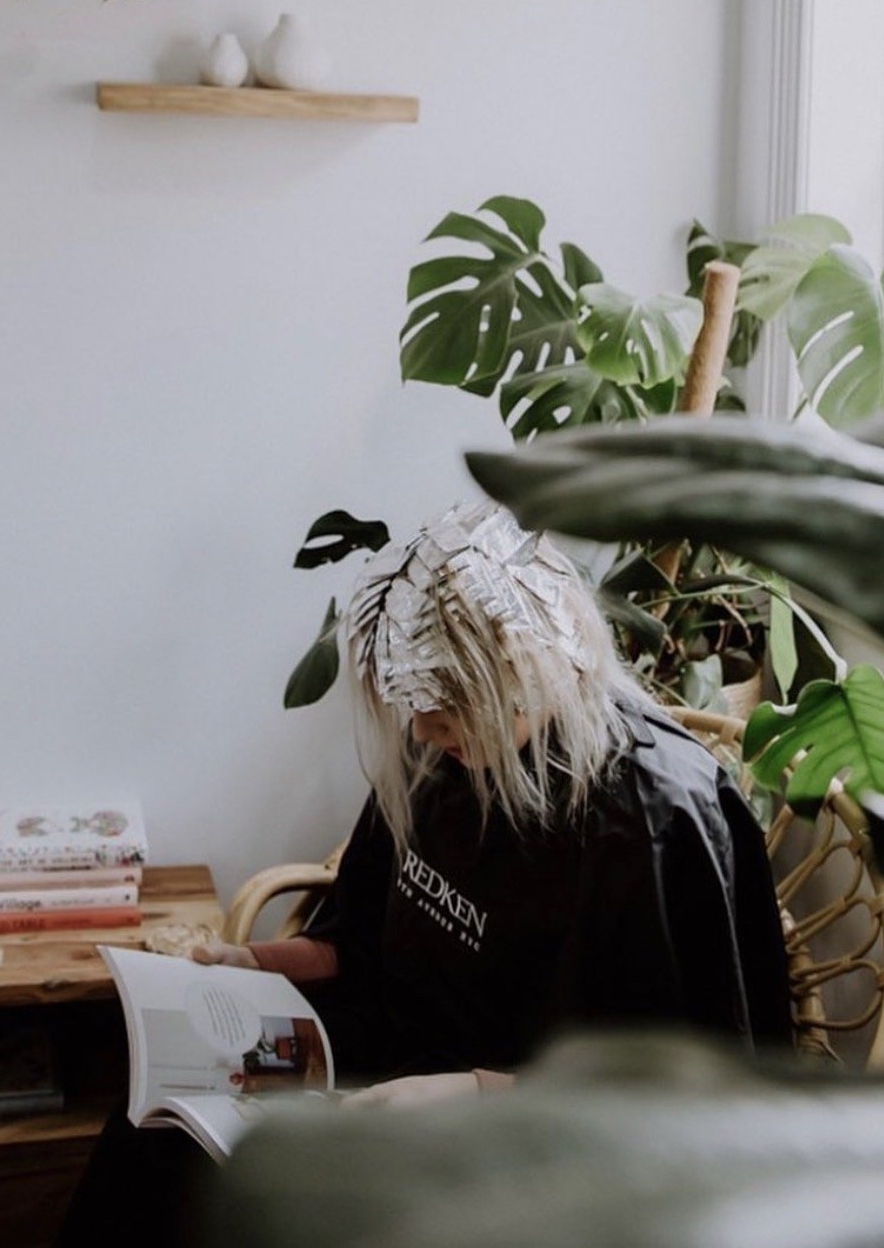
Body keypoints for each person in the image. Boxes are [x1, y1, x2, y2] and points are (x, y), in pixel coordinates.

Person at [57, 500, 791, 1243]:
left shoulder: (657, 819)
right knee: (156, 1136)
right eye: (415, 701)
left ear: (530, 670)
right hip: (395, 1060)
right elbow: (360, 938)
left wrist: (471, 1093)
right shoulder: (442, 752)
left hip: (542, 1136)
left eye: (447, 706)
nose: (420, 729)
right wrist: (252, 964)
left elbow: (686, 1098)